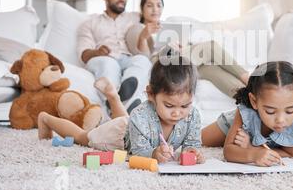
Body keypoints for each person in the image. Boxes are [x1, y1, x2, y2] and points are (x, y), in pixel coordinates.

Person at [37, 55, 205, 164]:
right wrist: (154, 153)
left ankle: (113, 96)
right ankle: (46, 119)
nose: (177, 113)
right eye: (169, 106)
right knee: (82, 136)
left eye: (185, 105)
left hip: (133, 125)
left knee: (128, 119)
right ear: (151, 95)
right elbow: (137, 153)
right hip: (119, 137)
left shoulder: (192, 116)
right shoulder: (140, 115)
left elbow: (192, 143)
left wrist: (192, 152)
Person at [126, 0, 250, 98]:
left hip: (180, 59)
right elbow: (142, 56)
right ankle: (247, 78)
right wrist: (143, 36)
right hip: (159, 63)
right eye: (150, 5)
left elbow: (186, 46)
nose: (155, 9)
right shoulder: (137, 28)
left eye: (159, 5)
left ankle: (247, 97)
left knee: (212, 70)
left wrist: (183, 46)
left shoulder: (167, 26)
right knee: (210, 47)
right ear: (142, 8)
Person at [201, 61, 293, 167]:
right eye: (270, 111)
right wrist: (254, 154)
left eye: (290, 111)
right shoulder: (246, 111)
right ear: (254, 101)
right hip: (232, 126)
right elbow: (229, 151)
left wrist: (251, 148)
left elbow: (291, 153)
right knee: (197, 139)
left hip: (248, 142)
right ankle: (204, 69)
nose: (281, 120)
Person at [77, 0, 152, 112]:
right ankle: (113, 103)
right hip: (104, 57)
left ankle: (127, 97)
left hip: (128, 58)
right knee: (108, 64)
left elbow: (153, 18)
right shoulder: (90, 23)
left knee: (142, 60)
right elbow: (83, 54)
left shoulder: (135, 17)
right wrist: (97, 52)